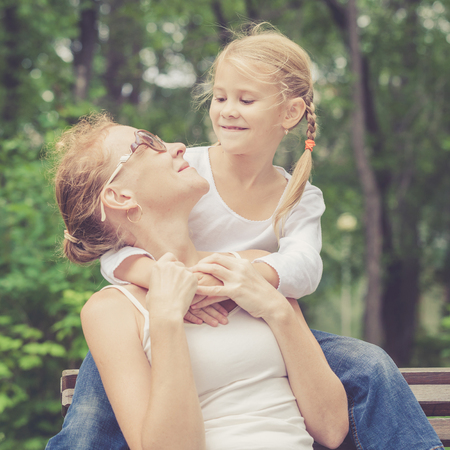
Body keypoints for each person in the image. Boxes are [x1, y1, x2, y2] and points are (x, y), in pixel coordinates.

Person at [47, 24, 444, 450]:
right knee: (91, 413)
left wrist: (251, 284)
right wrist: (172, 286)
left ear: (289, 114)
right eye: (220, 98)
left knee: (369, 365)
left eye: (247, 99)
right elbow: (114, 249)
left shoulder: (294, 204)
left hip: (252, 304)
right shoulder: (191, 169)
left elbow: (302, 266)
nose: (176, 146)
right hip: (162, 307)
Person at [49, 115, 349, 450]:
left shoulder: (251, 268)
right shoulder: (112, 312)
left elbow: (332, 428)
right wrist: (165, 321)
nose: (179, 148)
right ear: (120, 197)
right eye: (149, 144)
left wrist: (276, 309)